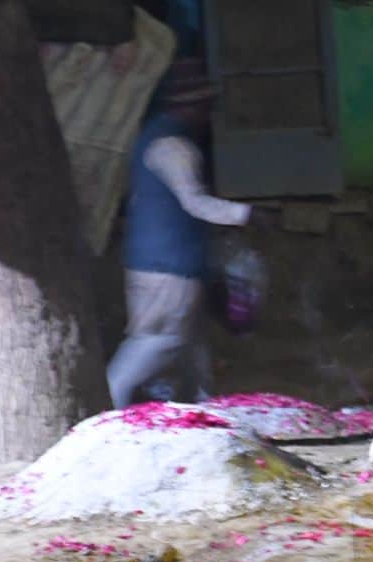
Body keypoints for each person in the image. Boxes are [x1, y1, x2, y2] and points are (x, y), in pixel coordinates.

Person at [108, 59, 273, 408]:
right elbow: (194, 202)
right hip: (166, 267)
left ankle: (197, 406)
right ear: (188, 106)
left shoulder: (154, 137)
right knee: (158, 340)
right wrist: (246, 214)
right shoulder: (172, 147)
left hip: (162, 260)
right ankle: (110, 398)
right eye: (205, 106)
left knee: (190, 345)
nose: (209, 114)